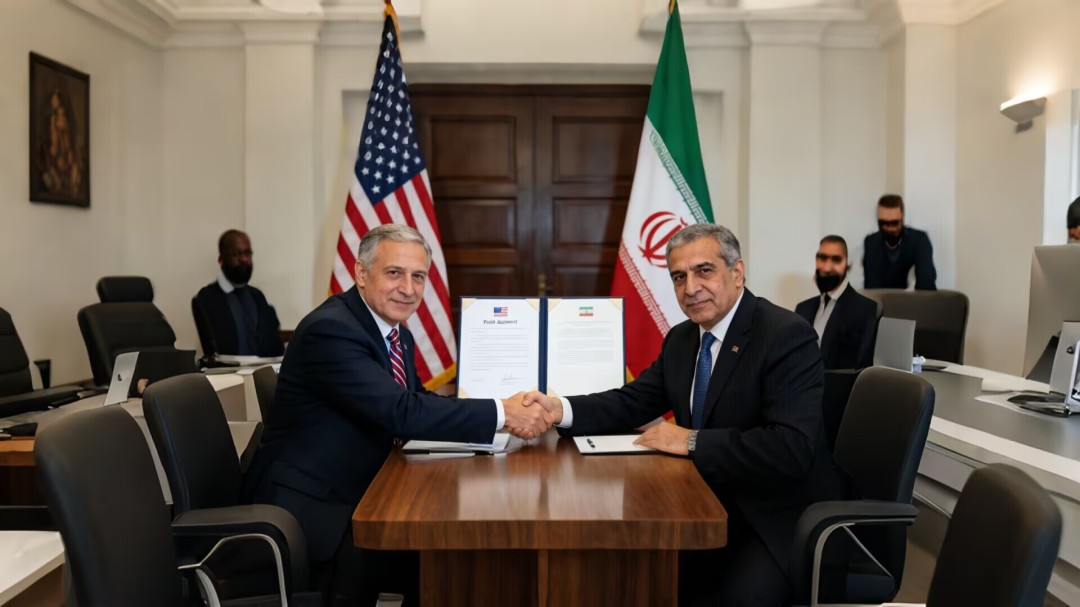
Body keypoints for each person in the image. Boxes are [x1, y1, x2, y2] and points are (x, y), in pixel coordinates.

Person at [523, 223, 848, 606]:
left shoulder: (785, 335)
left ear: (738, 272)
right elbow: (632, 401)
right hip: (703, 503)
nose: (690, 288)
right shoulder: (682, 338)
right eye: (679, 277)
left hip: (777, 518)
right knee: (629, 572)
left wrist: (691, 440)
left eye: (704, 271)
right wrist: (560, 409)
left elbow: (790, 448)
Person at [242, 224, 552, 606]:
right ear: (361, 273)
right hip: (317, 508)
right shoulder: (332, 330)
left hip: (365, 487)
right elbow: (401, 411)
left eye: (418, 276)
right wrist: (502, 413)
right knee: (452, 559)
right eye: (394, 273)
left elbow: (415, 398)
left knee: (459, 551)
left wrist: (497, 423)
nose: (408, 288)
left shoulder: (394, 331)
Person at [193, 230, 285, 357]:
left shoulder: (257, 296)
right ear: (221, 259)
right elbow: (215, 350)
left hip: (264, 368)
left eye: (247, 253)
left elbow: (274, 345)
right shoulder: (207, 298)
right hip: (227, 369)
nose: (244, 259)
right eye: (236, 254)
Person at [795, 235, 879, 370]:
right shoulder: (802, 309)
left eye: (836, 260)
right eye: (822, 258)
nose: (827, 268)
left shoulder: (865, 309)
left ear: (847, 264)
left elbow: (860, 367)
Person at [862, 194, 937, 290]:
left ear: (902, 219)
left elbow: (926, 283)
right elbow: (871, 286)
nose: (889, 228)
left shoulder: (918, 240)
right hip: (880, 298)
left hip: (912, 299)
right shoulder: (871, 242)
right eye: (883, 223)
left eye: (894, 223)